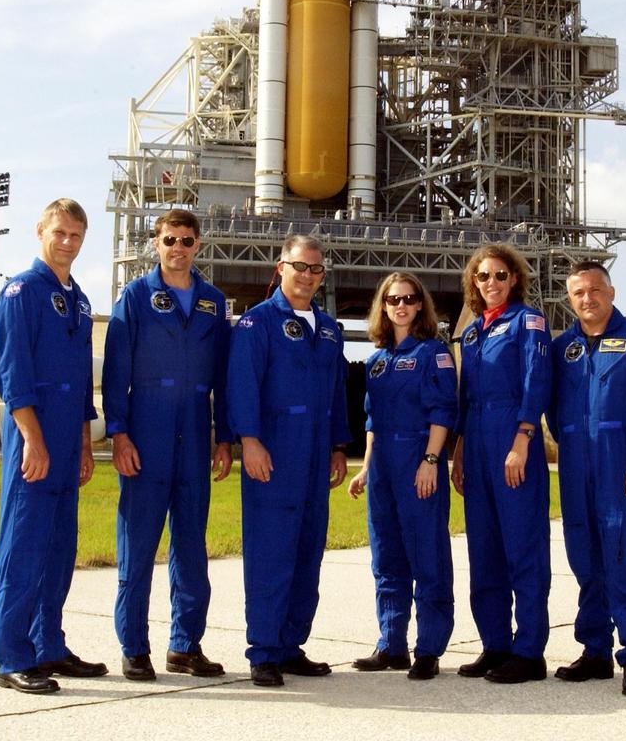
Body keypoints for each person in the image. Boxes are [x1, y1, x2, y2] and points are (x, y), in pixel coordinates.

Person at [102, 209, 232, 682]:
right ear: (155, 244)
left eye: (187, 240)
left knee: (192, 546)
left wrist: (226, 438)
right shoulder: (135, 298)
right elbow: (115, 369)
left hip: (196, 432)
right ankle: (134, 646)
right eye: (170, 239)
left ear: (199, 245)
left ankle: (185, 644)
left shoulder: (214, 304)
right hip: (146, 429)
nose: (178, 248)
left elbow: (223, 376)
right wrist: (118, 432)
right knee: (137, 544)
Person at [0, 198, 106, 694]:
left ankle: (48, 646)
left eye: (76, 235)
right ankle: (11, 655)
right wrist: (32, 441)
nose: (67, 242)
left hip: (65, 442)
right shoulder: (21, 293)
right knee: (23, 549)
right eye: (59, 232)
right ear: (40, 232)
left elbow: (80, 385)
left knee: (58, 551)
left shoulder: (77, 299)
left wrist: (82, 446)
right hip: (32, 443)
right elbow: (13, 376)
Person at [546, 261, 626, 697]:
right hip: (576, 465)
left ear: (612, 292)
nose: (588, 299)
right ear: (570, 299)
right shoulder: (563, 347)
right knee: (585, 558)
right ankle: (595, 651)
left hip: (620, 463)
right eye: (579, 293)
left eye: (595, 290)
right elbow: (553, 405)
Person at [226, 235, 350, 687]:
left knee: (306, 552)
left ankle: (291, 645)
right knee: (270, 551)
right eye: (300, 267)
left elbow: (336, 393)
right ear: (281, 268)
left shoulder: (330, 329)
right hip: (274, 452)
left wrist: (339, 447)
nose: (308, 276)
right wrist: (250, 441)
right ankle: (263, 650)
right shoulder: (257, 324)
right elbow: (242, 386)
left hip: (317, 453)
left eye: (316, 269)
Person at [449, 243, 552, 684]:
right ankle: (495, 644)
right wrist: (458, 452)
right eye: (483, 276)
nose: (490, 283)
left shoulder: (527, 323)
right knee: (484, 550)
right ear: (474, 282)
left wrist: (523, 439)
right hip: (476, 441)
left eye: (499, 275)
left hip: (513, 436)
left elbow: (536, 380)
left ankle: (529, 651)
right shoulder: (471, 333)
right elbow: (465, 398)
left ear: (514, 280)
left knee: (523, 547)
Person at [348, 272, 457, 681]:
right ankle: (391, 643)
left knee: (426, 554)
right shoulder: (376, 361)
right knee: (387, 556)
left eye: (409, 299)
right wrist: (366, 468)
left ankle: (428, 648)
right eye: (393, 299)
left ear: (420, 305)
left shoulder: (433, 353)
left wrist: (431, 460)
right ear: (383, 305)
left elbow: (443, 411)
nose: (401, 305)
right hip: (383, 469)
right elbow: (372, 421)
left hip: (417, 459)